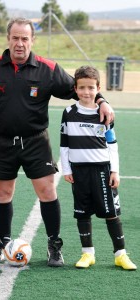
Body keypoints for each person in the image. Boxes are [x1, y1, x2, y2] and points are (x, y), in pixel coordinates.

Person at [0, 18, 114, 267]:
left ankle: (53, 245)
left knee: (47, 191)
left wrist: (102, 100)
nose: (19, 43)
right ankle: (4, 242)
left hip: (36, 141)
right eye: (15, 38)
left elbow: (78, 88)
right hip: (3, 142)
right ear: (8, 39)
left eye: (24, 38)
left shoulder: (47, 68)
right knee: (2, 193)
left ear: (32, 40)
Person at [60, 65, 137, 270]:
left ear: (98, 88)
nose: (86, 92)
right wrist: (67, 169)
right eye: (82, 87)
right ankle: (88, 254)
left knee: (112, 212)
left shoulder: (105, 112)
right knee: (82, 213)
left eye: (91, 88)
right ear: (75, 89)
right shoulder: (68, 112)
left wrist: (115, 171)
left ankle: (120, 254)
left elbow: (112, 144)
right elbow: (64, 144)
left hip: (102, 170)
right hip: (78, 171)